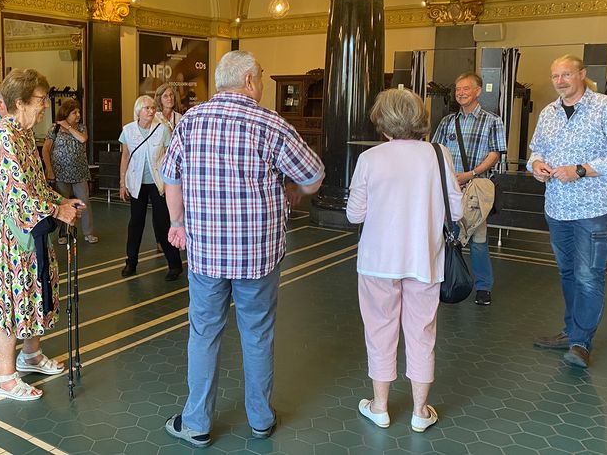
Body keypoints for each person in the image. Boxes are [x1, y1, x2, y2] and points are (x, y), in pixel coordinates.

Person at [160, 50, 324, 447]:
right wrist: (292, 189)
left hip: (205, 254)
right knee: (257, 334)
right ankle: (261, 419)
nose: (264, 82)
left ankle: (197, 423)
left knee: (203, 335)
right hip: (258, 255)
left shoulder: (190, 121)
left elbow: (170, 179)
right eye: (263, 76)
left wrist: (177, 223)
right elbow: (315, 176)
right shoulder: (271, 123)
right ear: (249, 81)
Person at [347, 89, 463, 433]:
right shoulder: (439, 154)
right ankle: (419, 411)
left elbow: (355, 215)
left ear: (383, 124)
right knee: (422, 332)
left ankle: (379, 407)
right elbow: (456, 210)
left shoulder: (370, 159)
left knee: (379, 330)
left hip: (377, 262)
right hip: (425, 260)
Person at [0, 68, 85, 400]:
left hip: (28, 231)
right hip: (8, 238)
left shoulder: (23, 135)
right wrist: (57, 210)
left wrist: (62, 200)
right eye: (40, 101)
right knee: (11, 298)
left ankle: (31, 355)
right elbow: (17, 195)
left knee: (35, 290)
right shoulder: (3, 137)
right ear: (19, 102)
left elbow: (37, 187)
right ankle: (5, 377)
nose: (44, 108)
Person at [529, 54, 607, 368]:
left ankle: (582, 342)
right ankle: (570, 332)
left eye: (566, 74)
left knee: (588, 277)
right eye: (555, 75)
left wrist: (580, 170)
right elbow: (536, 151)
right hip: (557, 207)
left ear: (581, 74)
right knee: (568, 273)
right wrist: (537, 166)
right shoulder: (549, 112)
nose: (559, 81)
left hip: (594, 208)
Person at [431, 72, 506, 306]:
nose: (460, 93)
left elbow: (495, 153)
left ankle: (483, 287)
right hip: (448, 188)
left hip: (476, 189)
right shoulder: (447, 121)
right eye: (457, 89)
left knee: (477, 238)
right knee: (445, 236)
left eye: (466, 88)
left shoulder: (493, 121)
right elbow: (435, 150)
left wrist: (471, 174)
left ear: (478, 91)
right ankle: (445, 281)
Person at [118, 95, 183, 282]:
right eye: (147, 108)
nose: (151, 110)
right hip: (137, 183)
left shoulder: (162, 129)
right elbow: (125, 157)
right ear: (138, 111)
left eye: (153, 107)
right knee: (135, 223)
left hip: (159, 183)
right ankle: (131, 262)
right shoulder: (128, 131)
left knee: (163, 223)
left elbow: (170, 155)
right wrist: (122, 183)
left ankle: (174, 264)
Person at [42, 98, 97, 244]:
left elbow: (83, 139)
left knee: (84, 201)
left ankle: (88, 232)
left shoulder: (81, 128)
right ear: (66, 113)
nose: (78, 114)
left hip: (79, 172)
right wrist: (49, 169)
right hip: (60, 172)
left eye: (78, 112)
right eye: (74, 112)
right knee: (63, 203)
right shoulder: (54, 129)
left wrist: (69, 127)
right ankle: (64, 233)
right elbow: (46, 150)